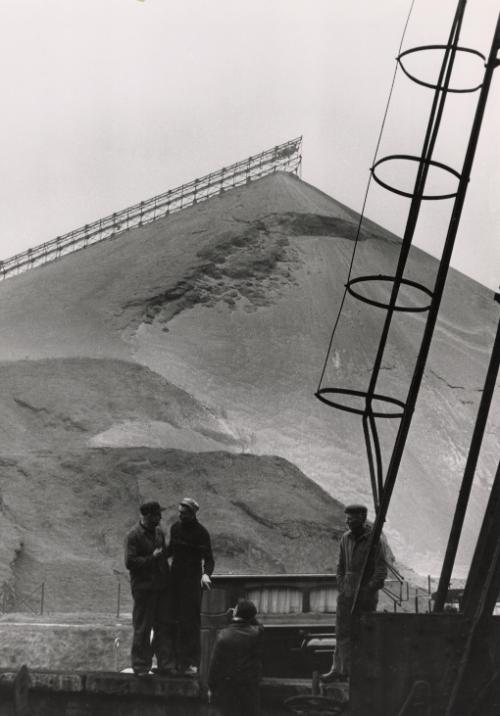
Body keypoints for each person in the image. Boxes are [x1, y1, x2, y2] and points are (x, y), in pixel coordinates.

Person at [321, 503, 387, 683]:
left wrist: (369, 589)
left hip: (366, 595)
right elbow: (340, 566)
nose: (347, 522)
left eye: (351, 519)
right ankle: (339, 669)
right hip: (346, 593)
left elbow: (381, 569)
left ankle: (360, 672)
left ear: (362, 519)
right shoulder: (345, 538)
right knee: (342, 631)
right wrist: (342, 586)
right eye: (347, 518)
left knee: (363, 632)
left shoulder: (375, 540)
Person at [124, 500, 175, 676]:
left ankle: (165, 665)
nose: (160, 518)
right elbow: (130, 563)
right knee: (143, 628)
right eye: (157, 515)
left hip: (161, 588)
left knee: (163, 627)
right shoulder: (133, 535)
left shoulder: (159, 532)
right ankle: (140, 666)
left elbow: (164, 554)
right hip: (144, 590)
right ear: (148, 516)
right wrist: (152, 558)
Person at [166, 496, 215, 675]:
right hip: (175, 580)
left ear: (193, 514)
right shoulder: (175, 528)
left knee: (191, 623)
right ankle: (175, 662)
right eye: (179, 513)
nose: (181, 516)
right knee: (173, 620)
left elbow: (209, 559)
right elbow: (170, 550)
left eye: (184, 513)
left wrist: (206, 575)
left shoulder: (202, 533)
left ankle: (192, 663)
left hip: (192, 582)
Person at [208, 599, 264, 716]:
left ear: (236, 613)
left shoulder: (223, 635)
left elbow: (215, 664)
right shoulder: (256, 634)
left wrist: (211, 687)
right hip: (249, 686)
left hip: (228, 687)